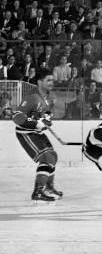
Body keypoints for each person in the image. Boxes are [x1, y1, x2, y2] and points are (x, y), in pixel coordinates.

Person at [12, 69, 61, 201]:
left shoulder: (50, 96)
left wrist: (47, 119)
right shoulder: (32, 97)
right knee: (46, 158)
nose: (51, 83)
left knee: (53, 156)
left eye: (52, 80)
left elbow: (47, 113)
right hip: (26, 133)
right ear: (40, 82)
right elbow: (17, 117)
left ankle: (48, 187)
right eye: (48, 80)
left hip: (36, 132)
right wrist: (35, 123)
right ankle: (38, 192)